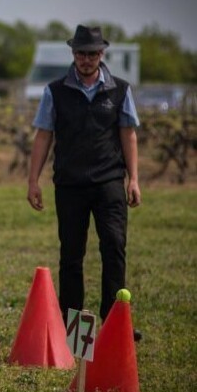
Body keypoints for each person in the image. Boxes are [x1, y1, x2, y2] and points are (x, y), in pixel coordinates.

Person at [26, 25, 142, 340]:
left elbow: (128, 134)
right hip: (69, 184)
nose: (86, 59)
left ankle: (115, 322)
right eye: (81, 53)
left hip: (109, 182)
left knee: (115, 248)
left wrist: (134, 179)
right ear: (74, 54)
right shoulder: (55, 90)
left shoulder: (120, 89)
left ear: (101, 54)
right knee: (71, 255)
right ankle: (73, 328)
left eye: (92, 53)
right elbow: (43, 135)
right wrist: (33, 180)